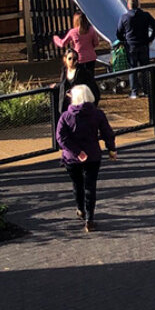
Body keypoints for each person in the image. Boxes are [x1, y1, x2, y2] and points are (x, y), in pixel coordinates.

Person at [55, 84, 117, 233]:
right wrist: (112, 149)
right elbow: (107, 133)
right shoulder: (97, 114)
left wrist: (76, 152)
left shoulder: (66, 116)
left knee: (77, 184)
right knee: (90, 186)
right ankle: (90, 219)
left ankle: (80, 208)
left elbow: (61, 138)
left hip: (72, 158)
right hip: (93, 155)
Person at [116, 0, 155, 99]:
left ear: (129, 6)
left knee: (133, 68)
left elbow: (118, 33)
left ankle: (134, 91)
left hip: (131, 46)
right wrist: (150, 38)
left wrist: (124, 40)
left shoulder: (124, 17)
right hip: (144, 44)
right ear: (139, 5)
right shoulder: (145, 15)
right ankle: (146, 90)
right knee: (145, 68)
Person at [55, 47, 101, 114]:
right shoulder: (64, 71)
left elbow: (92, 88)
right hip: (66, 106)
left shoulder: (82, 72)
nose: (72, 61)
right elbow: (63, 84)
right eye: (70, 58)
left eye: (74, 59)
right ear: (65, 59)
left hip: (80, 106)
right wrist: (56, 85)